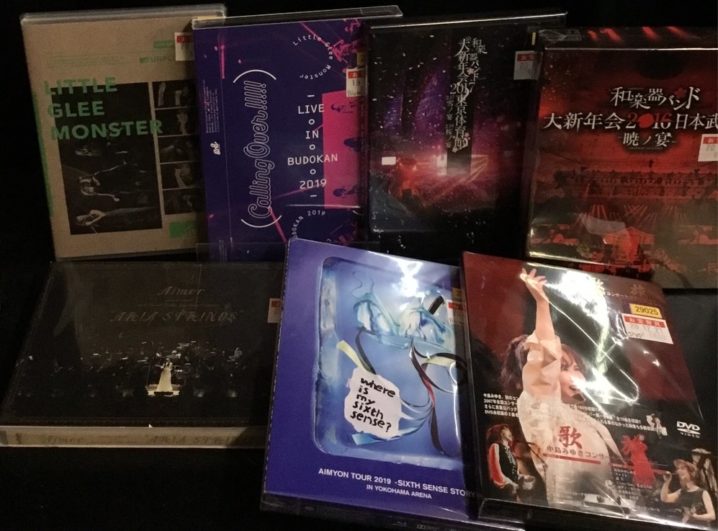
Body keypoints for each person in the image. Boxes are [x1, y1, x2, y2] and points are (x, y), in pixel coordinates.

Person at [504, 268, 622, 507]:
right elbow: (545, 357)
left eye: (577, 368)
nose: (577, 375)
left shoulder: (591, 422)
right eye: (565, 367)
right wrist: (542, 304)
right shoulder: (539, 409)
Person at [661, 459, 716, 525]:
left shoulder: (703, 492)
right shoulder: (681, 492)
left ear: (691, 472)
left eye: (682, 468)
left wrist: (696, 517)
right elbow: (664, 498)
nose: (679, 471)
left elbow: (712, 516)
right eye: (678, 469)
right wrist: (666, 482)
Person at [486, 424, 521, 499]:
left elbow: (514, 472)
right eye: (506, 429)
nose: (510, 432)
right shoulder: (495, 446)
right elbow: (496, 472)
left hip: (513, 491)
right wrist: (511, 483)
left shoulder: (510, 451)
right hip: (501, 492)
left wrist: (523, 477)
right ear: (500, 433)